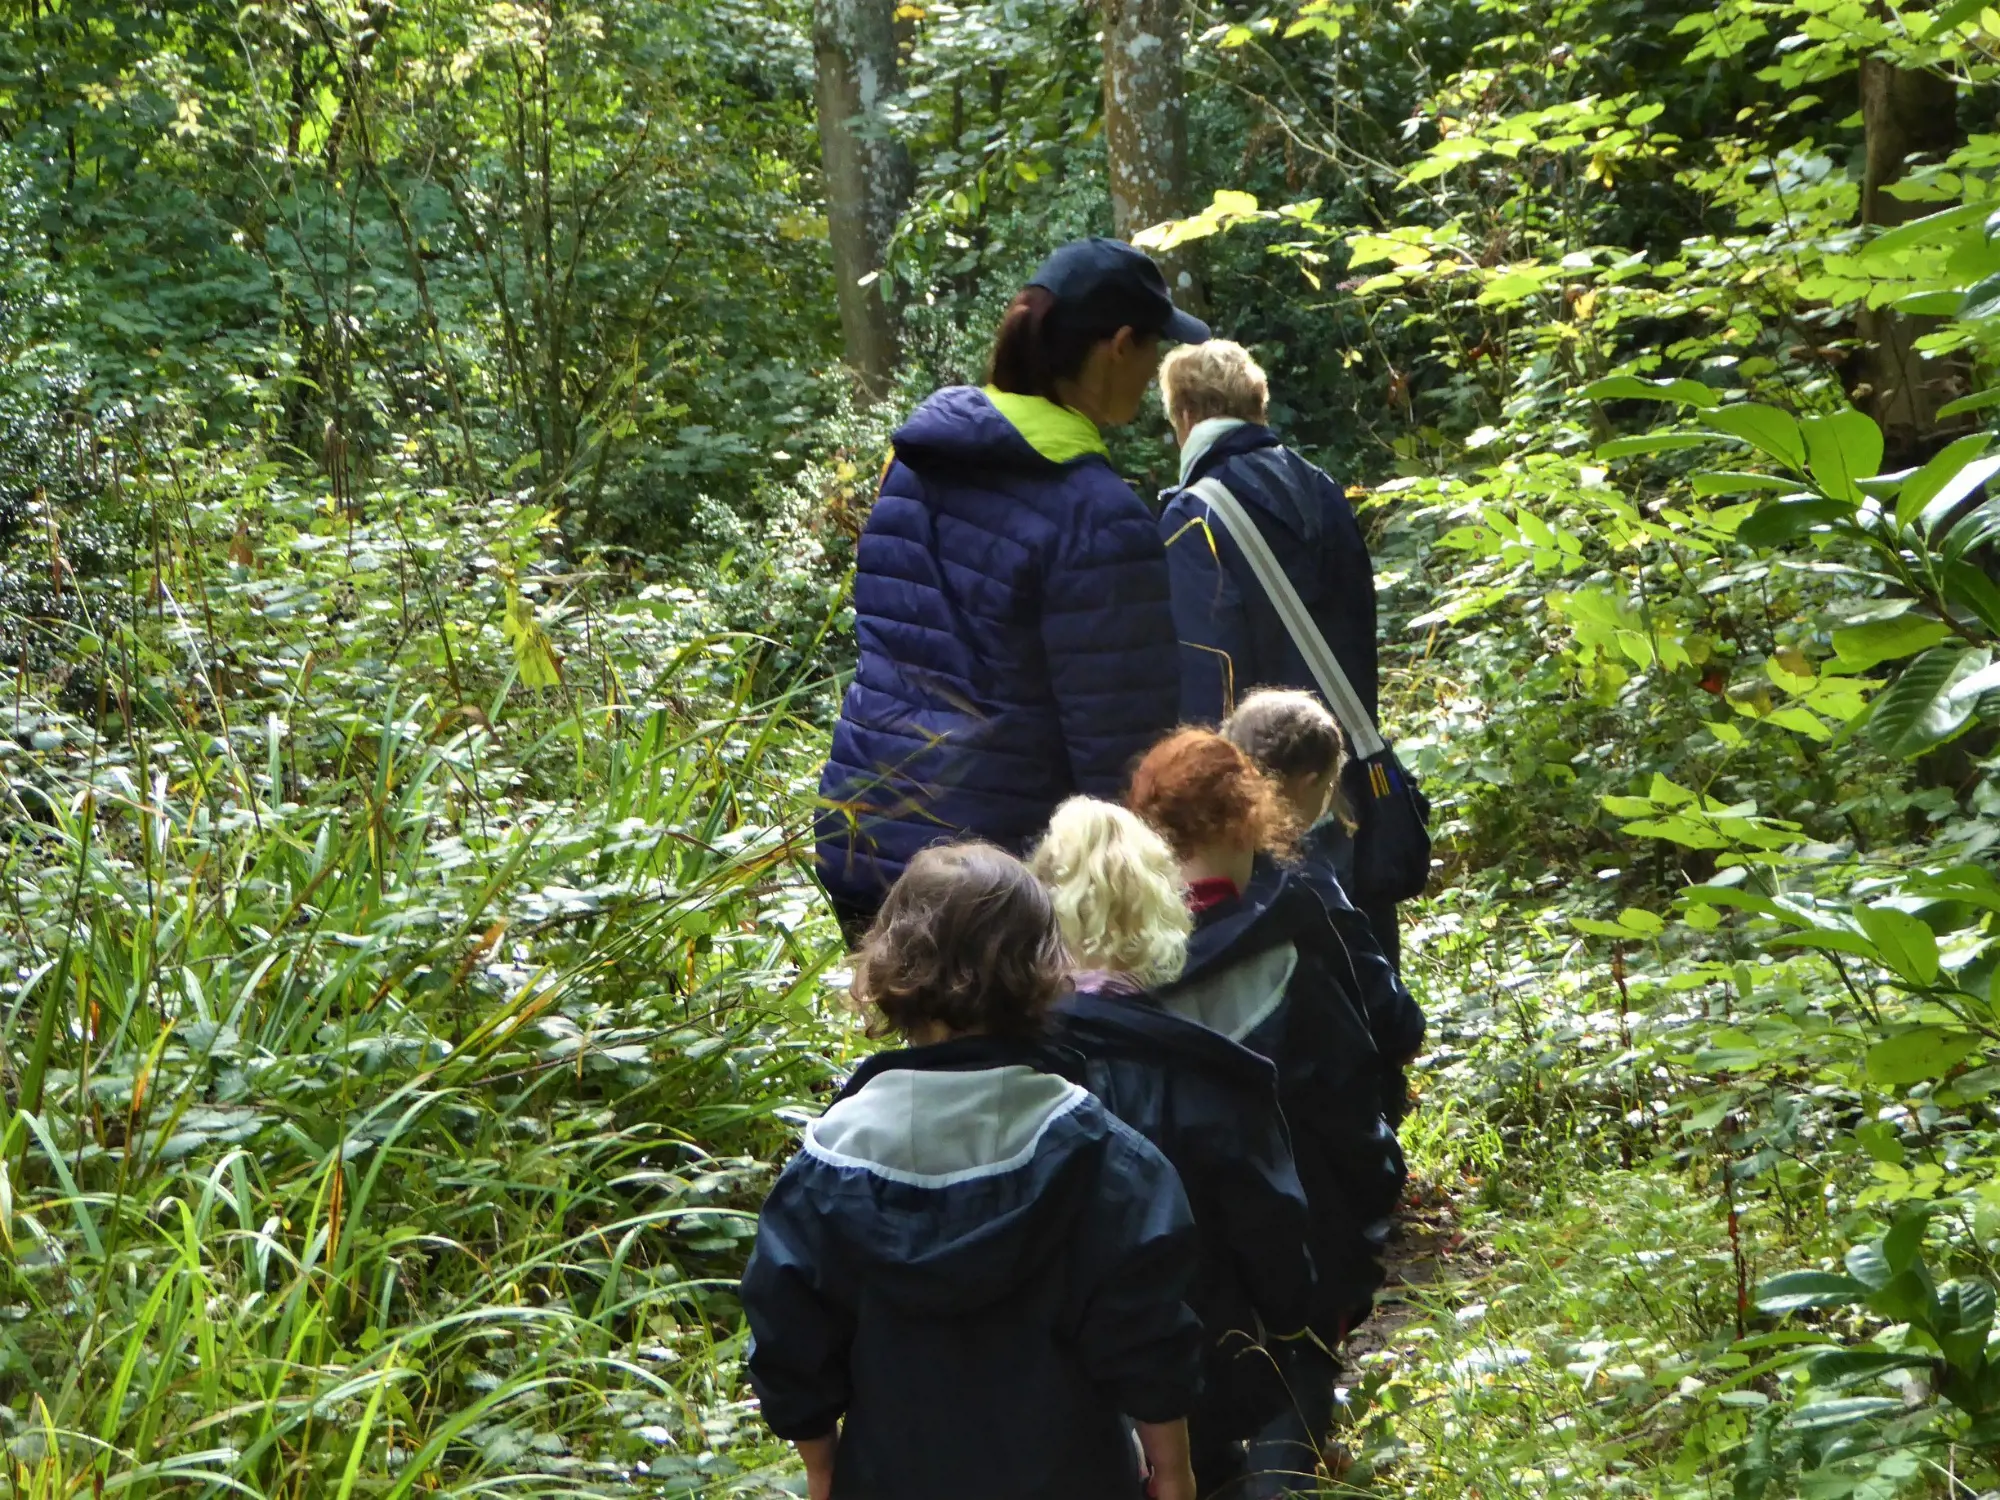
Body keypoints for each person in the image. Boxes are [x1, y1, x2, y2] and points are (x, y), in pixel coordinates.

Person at [740, 841, 1204, 1500]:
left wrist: (822, 1468)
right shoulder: (1105, 1156)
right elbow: (1146, 1333)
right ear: (1043, 971)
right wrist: (1174, 1469)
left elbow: (789, 1340)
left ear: (889, 966)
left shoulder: (828, 1164)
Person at [815, 238, 1210, 942]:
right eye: (1153, 350)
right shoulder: (1099, 516)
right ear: (1118, 346)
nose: (1156, 373)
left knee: (921, 1051)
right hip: (996, 880)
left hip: (866, 834)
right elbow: (1120, 754)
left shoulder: (913, 465)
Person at [1127, 729, 1404, 1498]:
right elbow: (1352, 1100)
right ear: (1253, 819)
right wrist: (1370, 1218)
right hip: (1298, 1249)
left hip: (1163, 1260)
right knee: (1288, 1424)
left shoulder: (1109, 976)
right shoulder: (1290, 947)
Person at [1029, 797, 1316, 1495]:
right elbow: (1267, 1223)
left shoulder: (1005, 1072)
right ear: (1160, 905)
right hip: (1193, 1377)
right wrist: (1293, 1329)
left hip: (1042, 1396)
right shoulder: (1206, 1072)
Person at [1153, 340, 1403, 968]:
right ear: (1257, 407)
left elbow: (1208, 667)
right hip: (1344, 766)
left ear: (1183, 416)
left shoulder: (1194, 515)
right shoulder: (1321, 489)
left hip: (1260, 792)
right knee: (1361, 960)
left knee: (1293, 968)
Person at [1222, 689, 1424, 1123]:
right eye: (1332, 783)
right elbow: (1384, 1005)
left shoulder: (1204, 852)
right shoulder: (1310, 885)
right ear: (1310, 782)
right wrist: (1406, 1031)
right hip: (1311, 1097)